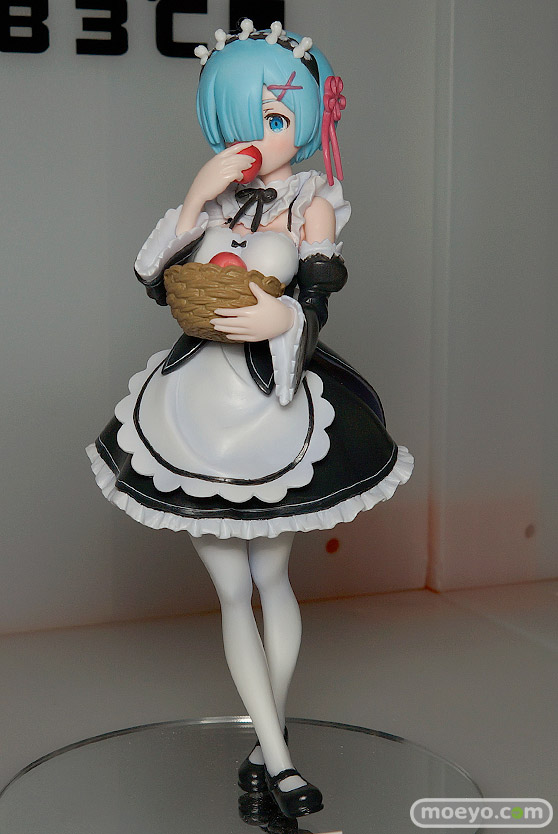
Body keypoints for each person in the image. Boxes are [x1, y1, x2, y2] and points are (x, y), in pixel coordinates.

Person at [86, 20, 413, 819]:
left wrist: (282, 320)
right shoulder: (212, 201)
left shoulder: (314, 203)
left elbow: (317, 293)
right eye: (238, 122)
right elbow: (153, 278)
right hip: (193, 406)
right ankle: (279, 757)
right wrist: (198, 197)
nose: (257, 139)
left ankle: (271, 750)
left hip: (273, 402)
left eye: (272, 118)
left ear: (307, 118)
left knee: (272, 579)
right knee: (234, 593)